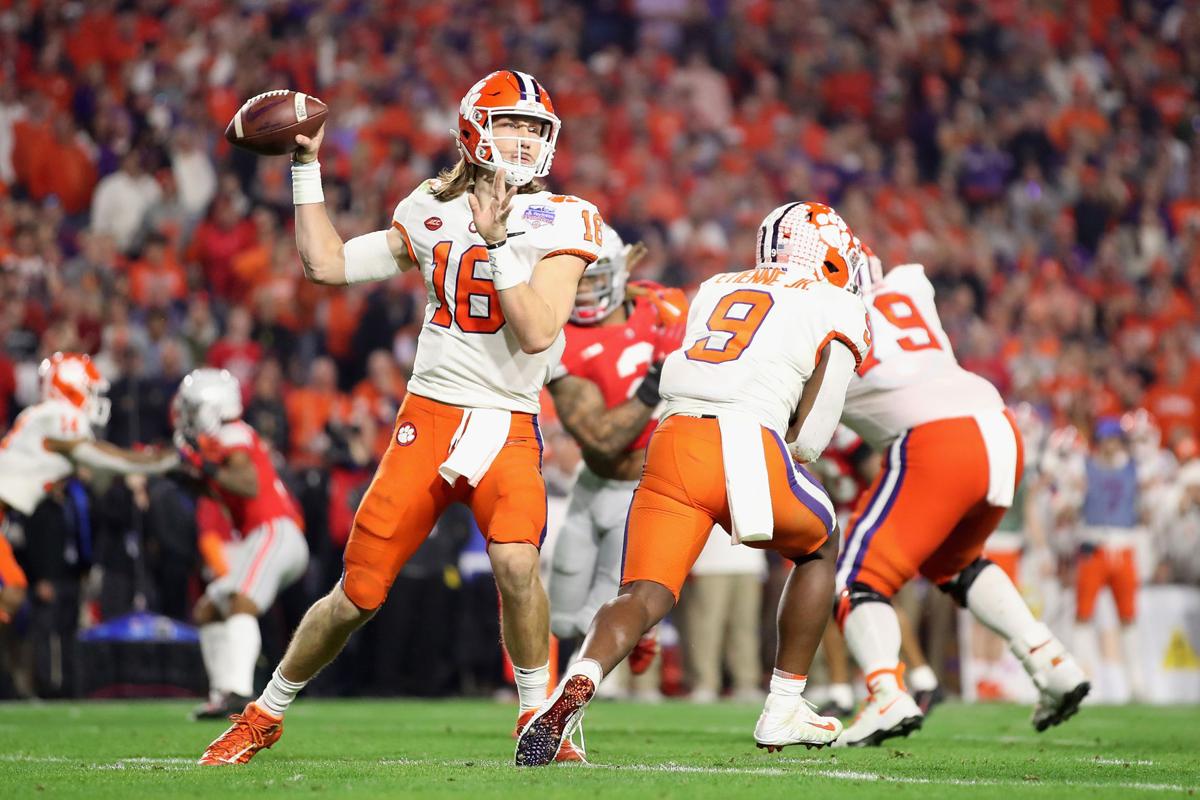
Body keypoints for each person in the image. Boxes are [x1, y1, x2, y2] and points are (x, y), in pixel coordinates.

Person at [200, 70, 602, 765]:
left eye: (538, 128)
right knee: (357, 593)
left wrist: (500, 243)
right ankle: (264, 713)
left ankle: (538, 714)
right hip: (430, 415)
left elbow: (539, 333)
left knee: (515, 561)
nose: (528, 139)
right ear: (476, 129)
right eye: (513, 123)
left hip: (507, 418)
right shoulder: (428, 207)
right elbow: (326, 264)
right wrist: (306, 164)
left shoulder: (565, 216)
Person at [516, 202, 872, 766]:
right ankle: (784, 704)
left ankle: (577, 681)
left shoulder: (716, 284)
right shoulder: (838, 305)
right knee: (820, 545)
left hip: (672, 437)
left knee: (642, 594)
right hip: (743, 439)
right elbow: (809, 442)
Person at [833, 253, 1088, 747]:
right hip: (996, 422)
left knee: (855, 580)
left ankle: (885, 693)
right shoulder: (907, 287)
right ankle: (1050, 660)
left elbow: (806, 430)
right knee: (954, 562)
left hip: (938, 441)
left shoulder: (826, 325)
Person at [546, 226, 686, 681]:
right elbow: (603, 439)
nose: (583, 289)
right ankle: (641, 627)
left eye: (594, 278)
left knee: (598, 612)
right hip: (593, 481)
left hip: (646, 489)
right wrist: (656, 380)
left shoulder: (661, 309)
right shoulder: (558, 336)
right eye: (577, 279)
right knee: (561, 619)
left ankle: (562, 707)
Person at [170, 368, 310, 720]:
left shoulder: (233, 434)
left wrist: (204, 466)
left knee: (241, 604)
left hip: (274, 531)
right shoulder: (225, 442)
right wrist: (189, 475)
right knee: (210, 608)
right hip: (260, 536)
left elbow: (247, 485)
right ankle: (223, 694)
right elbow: (219, 488)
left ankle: (241, 694)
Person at [0, 352, 177, 626]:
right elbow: (103, 458)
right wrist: (160, 461)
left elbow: (96, 471)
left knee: (12, 592)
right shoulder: (58, 414)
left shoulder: (45, 419)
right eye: (90, 390)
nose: (95, 398)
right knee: (11, 593)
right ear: (71, 387)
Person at [1070, 416, 1145, 701]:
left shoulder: (1135, 468)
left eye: (1114, 439)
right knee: (1084, 614)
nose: (1110, 445)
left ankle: (1136, 682)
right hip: (1094, 545)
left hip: (1123, 546)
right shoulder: (1084, 467)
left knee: (1128, 615)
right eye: (1106, 439)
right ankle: (1081, 680)